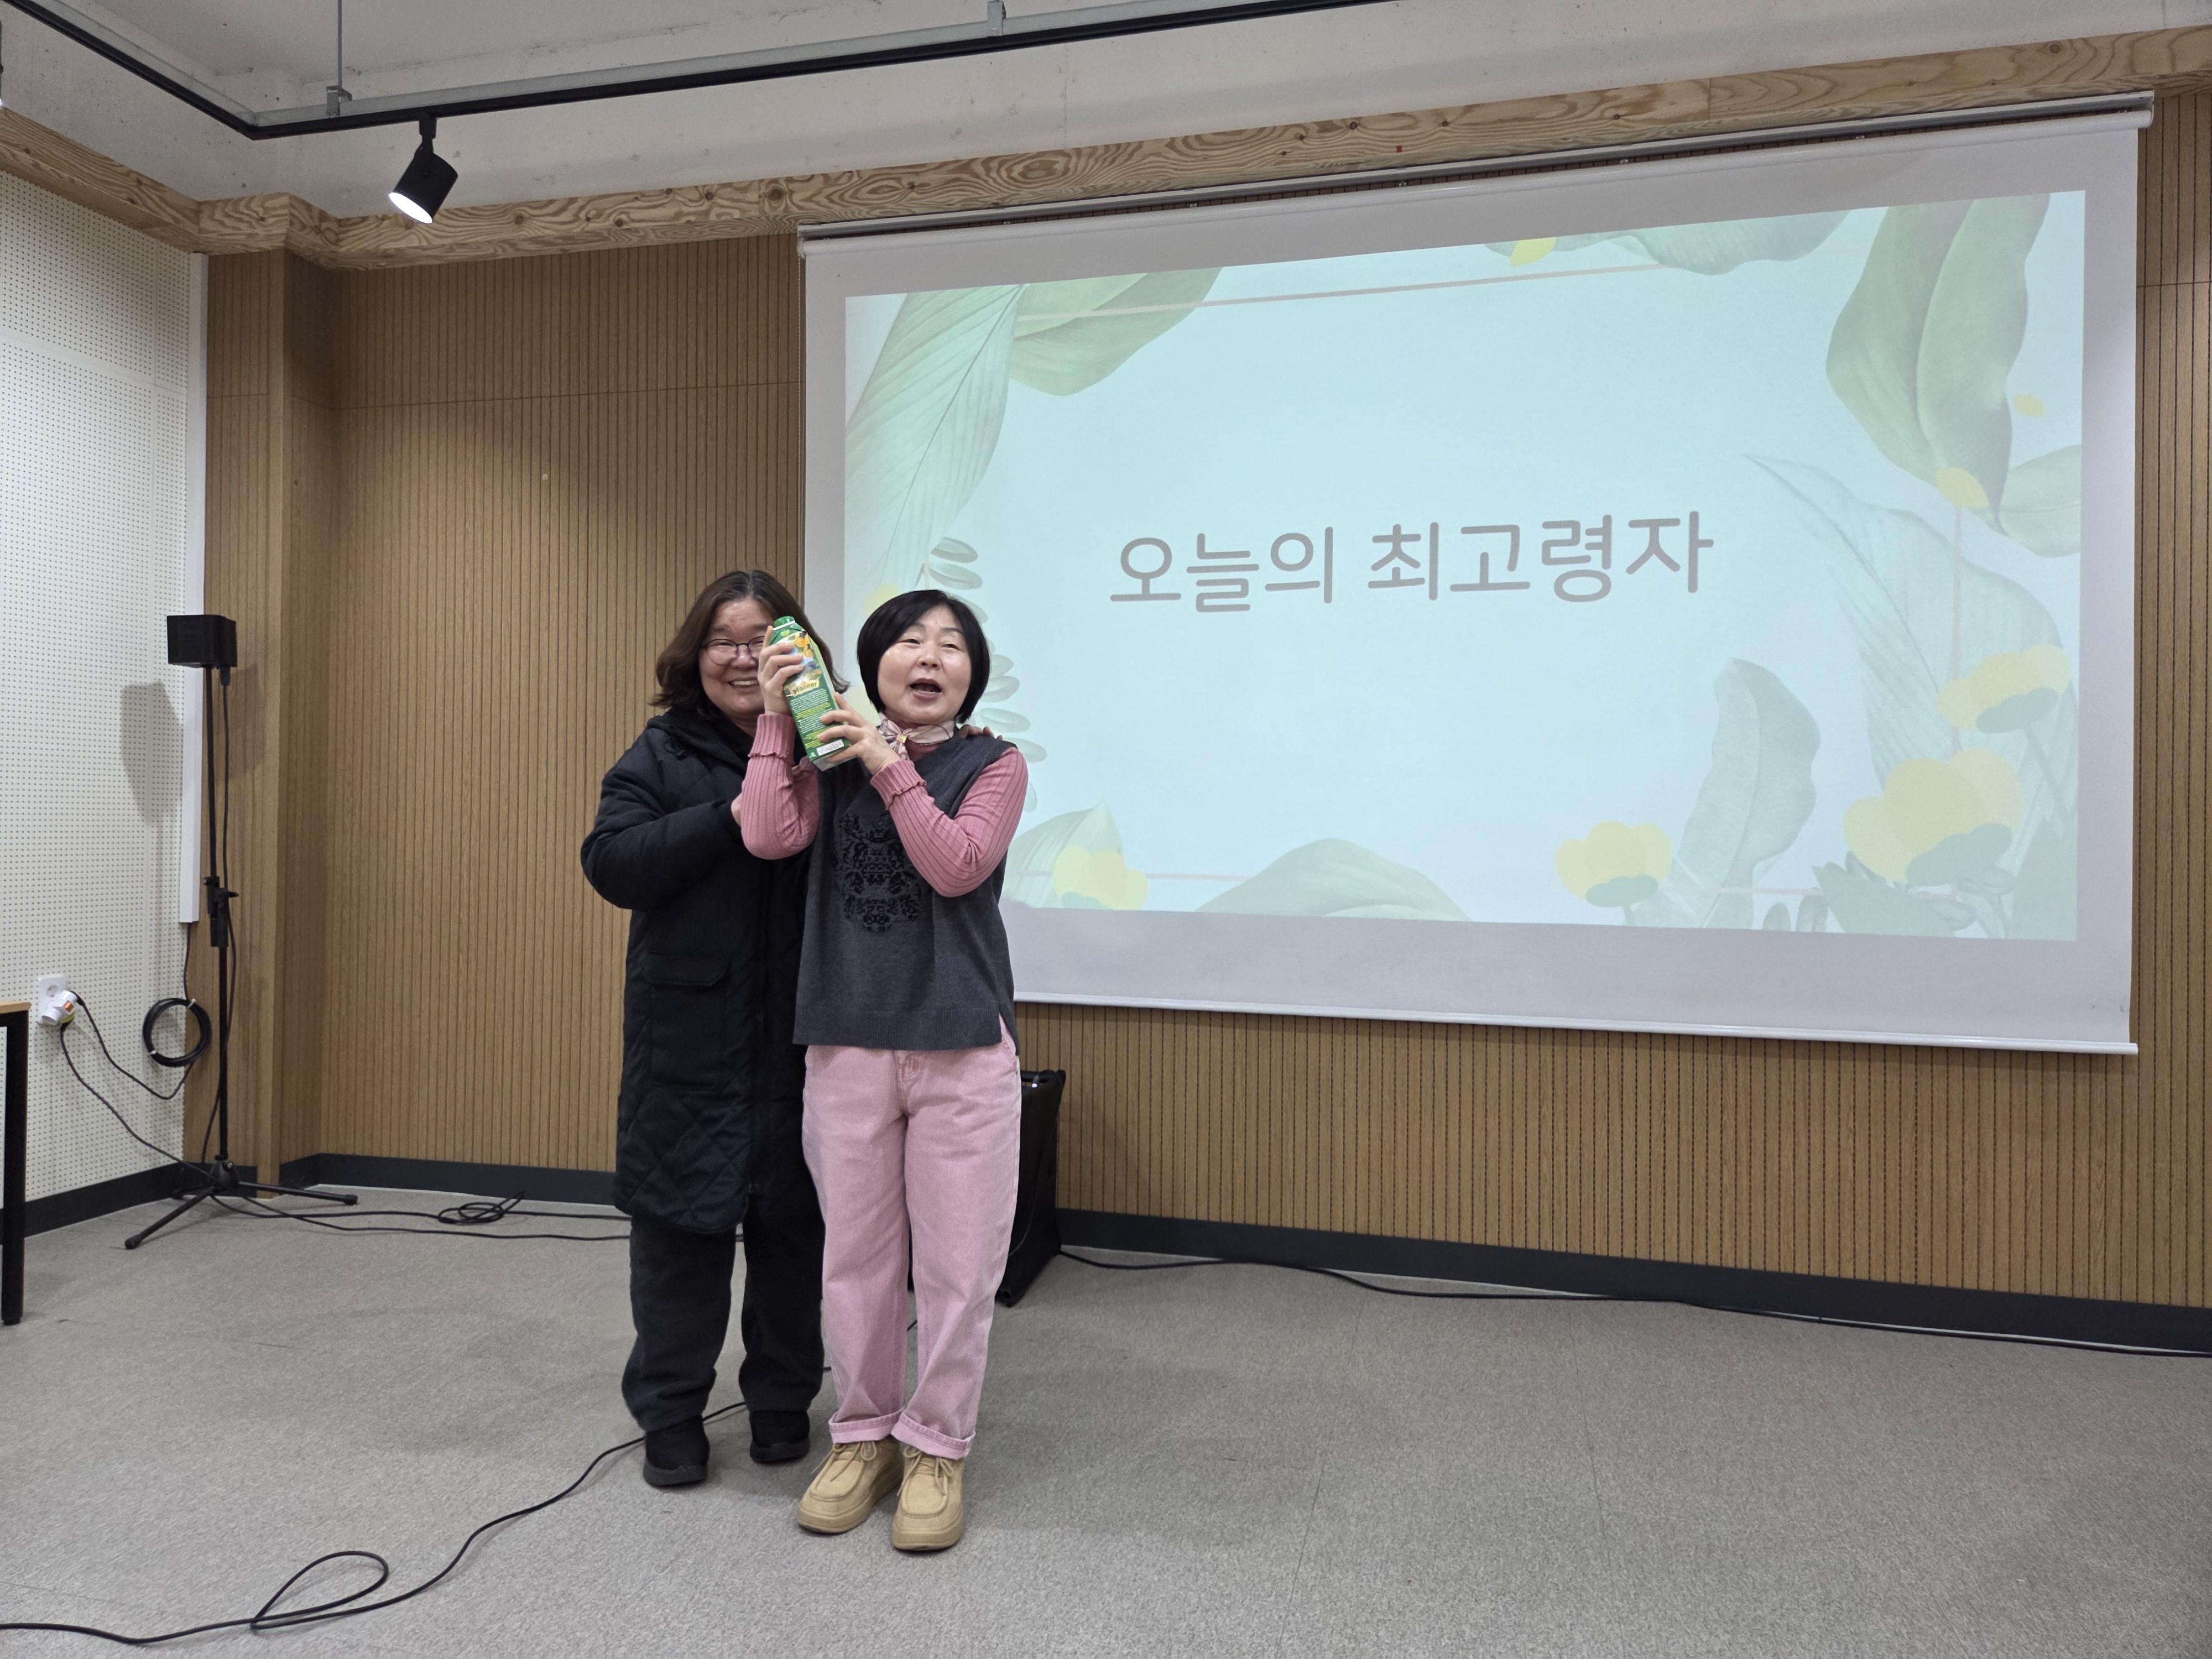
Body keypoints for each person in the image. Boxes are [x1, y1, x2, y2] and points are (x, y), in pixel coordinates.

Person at [740, 589, 1027, 1553]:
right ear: (871, 666)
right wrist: (778, 720)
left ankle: (937, 1445)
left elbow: (957, 866)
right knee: (855, 1262)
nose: (930, 656)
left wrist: (888, 763)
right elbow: (767, 836)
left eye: (951, 645)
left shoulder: (995, 763)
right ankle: (862, 1435)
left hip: (963, 1046)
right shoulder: (828, 754)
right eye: (909, 641)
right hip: (847, 1040)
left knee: (958, 1269)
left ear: (972, 675)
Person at [580, 570, 835, 1486]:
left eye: (763, 639)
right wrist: (734, 816)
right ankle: (671, 1412)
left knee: (795, 1237)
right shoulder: (664, 750)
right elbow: (612, 863)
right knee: (677, 1242)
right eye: (725, 640)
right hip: (687, 1040)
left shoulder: (829, 748)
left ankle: (782, 1402)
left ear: (798, 652)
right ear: (696, 656)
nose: (743, 657)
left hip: (806, 1038)